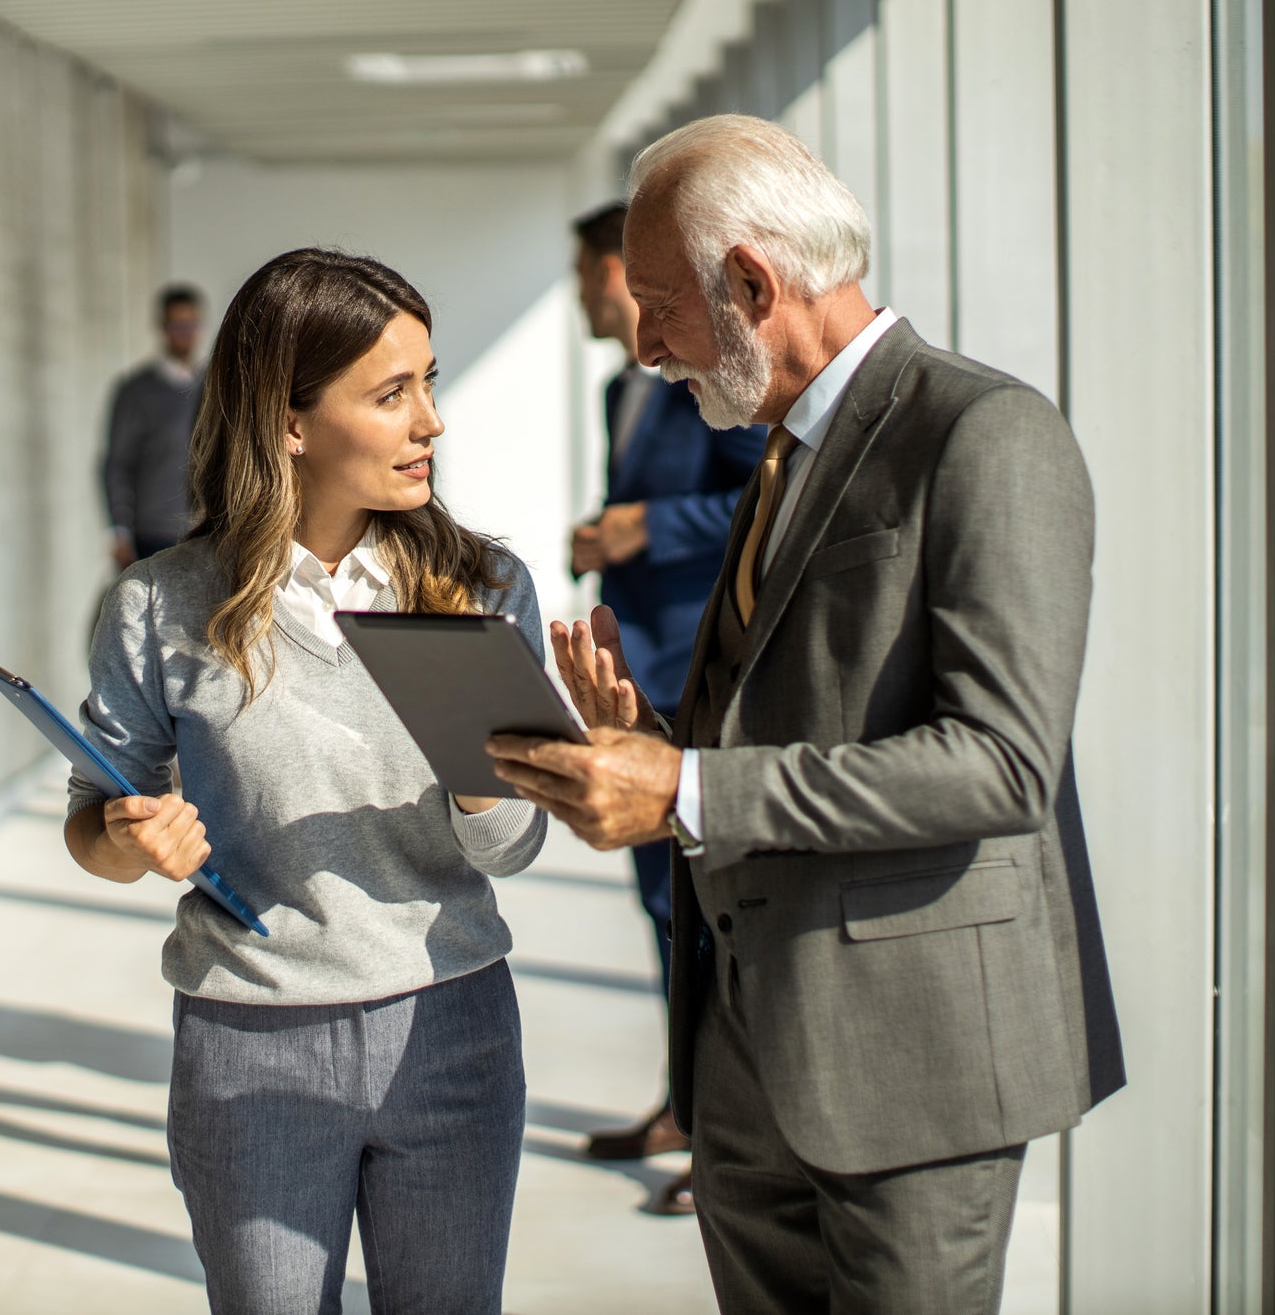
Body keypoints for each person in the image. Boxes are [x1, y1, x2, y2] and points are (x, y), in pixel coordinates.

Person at [488, 115, 1125, 1314]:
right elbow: (804, 718)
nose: (645, 340)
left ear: (752, 282)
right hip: (750, 1065)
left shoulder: (984, 434)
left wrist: (684, 790)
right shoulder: (784, 450)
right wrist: (654, 744)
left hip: (911, 1070)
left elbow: (1000, 766)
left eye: (658, 301)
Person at [63, 248, 547, 1315]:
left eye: (430, 380)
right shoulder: (158, 606)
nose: (432, 420)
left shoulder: (481, 585)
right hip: (253, 1045)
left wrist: (485, 757)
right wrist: (130, 836)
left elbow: (511, 847)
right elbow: (90, 822)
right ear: (290, 422)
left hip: (452, 1027)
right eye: (392, 393)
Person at [566, 200, 763, 1211]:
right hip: (637, 679)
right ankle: (686, 1104)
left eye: (592, 274)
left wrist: (647, 528)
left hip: (700, 677)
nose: (585, 296)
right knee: (658, 906)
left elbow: (761, 498)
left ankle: (724, 1134)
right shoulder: (619, 393)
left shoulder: (716, 393)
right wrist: (603, 539)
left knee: (708, 914)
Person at [102, 283, 207, 570]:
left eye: (190, 324)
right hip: (153, 534)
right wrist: (119, 531)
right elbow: (117, 464)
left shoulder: (214, 385)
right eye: (177, 325)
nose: (184, 333)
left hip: (206, 531)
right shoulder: (136, 391)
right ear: (163, 327)